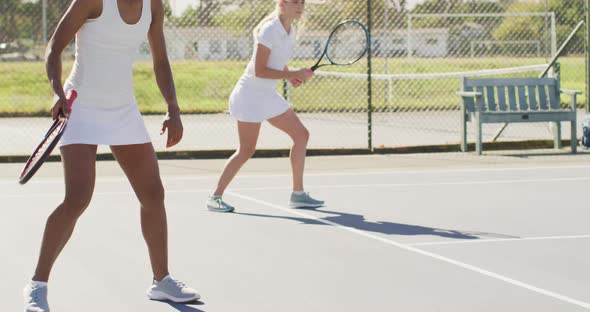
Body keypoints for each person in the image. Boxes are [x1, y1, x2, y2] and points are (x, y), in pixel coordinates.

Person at [23, 0, 200, 310]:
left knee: (153, 194)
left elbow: (160, 61)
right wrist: (57, 92)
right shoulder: (92, 2)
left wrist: (173, 107)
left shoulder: (153, 6)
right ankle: (37, 286)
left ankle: (162, 281)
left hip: (122, 110)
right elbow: (55, 47)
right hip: (80, 106)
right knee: (78, 197)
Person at [206, 0, 324, 213]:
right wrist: (294, 74)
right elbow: (260, 70)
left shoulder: (291, 30)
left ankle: (298, 194)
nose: (300, 6)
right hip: (250, 95)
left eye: (302, 2)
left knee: (301, 135)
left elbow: (277, 61)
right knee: (246, 150)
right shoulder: (269, 30)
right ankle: (215, 197)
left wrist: (290, 76)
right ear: (282, 3)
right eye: (295, 2)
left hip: (267, 95)